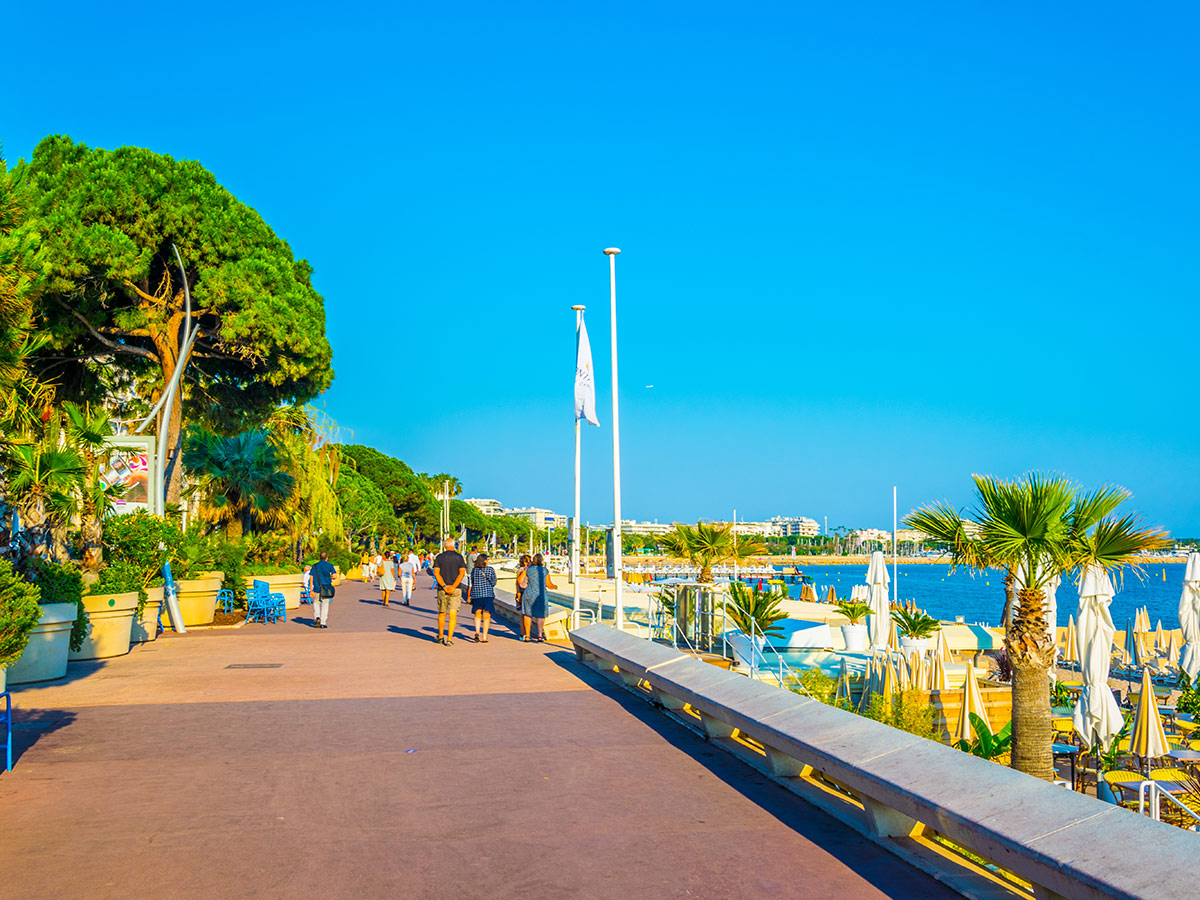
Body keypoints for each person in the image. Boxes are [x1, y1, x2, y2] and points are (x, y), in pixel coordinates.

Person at [433, 538, 466, 645]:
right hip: (456, 589)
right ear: (454, 545)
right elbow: (462, 573)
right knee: (453, 614)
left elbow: (436, 573)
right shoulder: (459, 557)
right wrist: (453, 586)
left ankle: (441, 636)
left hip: (442, 589)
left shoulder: (439, 558)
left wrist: (445, 586)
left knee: (442, 613)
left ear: (445, 545)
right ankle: (450, 639)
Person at [516, 553, 556, 642]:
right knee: (540, 615)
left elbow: (519, 580)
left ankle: (527, 635)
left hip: (529, 593)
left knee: (527, 614)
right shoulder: (545, 570)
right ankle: (539, 636)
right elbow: (548, 584)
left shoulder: (527, 569)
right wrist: (554, 586)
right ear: (542, 561)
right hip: (541, 595)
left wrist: (526, 584)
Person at [466, 552, 497, 642]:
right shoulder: (490, 569)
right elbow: (494, 582)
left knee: (477, 614)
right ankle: (484, 636)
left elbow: (472, 581)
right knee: (486, 616)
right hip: (488, 595)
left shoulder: (474, 570)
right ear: (485, 561)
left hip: (476, 595)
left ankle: (477, 632)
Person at [310, 551, 337, 628]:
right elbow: (335, 576)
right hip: (326, 588)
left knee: (316, 602)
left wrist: (311, 590)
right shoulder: (329, 565)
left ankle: (317, 616)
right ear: (327, 558)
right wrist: (330, 577)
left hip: (317, 588)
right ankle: (323, 622)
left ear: (320, 557)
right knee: (325, 604)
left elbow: (311, 578)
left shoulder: (314, 566)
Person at [515, 553, 531, 640]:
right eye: (528, 561)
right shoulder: (522, 570)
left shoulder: (524, 569)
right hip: (523, 592)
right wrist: (518, 595)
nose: (529, 562)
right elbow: (518, 583)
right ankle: (523, 633)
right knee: (524, 614)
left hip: (523, 592)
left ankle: (523, 633)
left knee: (523, 614)